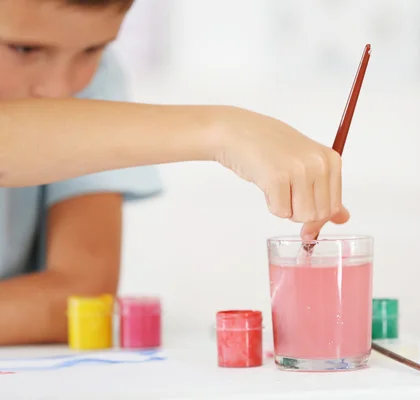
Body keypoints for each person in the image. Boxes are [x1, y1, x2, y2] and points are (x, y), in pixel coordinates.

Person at [0, 0, 349, 345]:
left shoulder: (94, 78)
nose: (60, 90)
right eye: (23, 48)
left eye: (94, 48)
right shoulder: (71, 79)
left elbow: (79, 302)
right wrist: (221, 130)